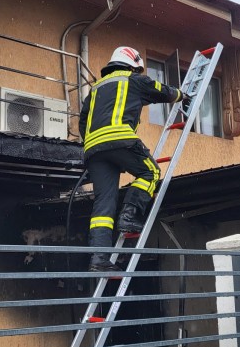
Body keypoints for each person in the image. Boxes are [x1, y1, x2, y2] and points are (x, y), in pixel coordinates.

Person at [79, 46, 188, 272]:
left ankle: (99, 258)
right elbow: (162, 91)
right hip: (120, 140)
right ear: (132, 65)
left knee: (104, 202)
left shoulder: (96, 89)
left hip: (93, 149)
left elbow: (83, 122)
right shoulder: (134, 80)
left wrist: (97, 143)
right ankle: (129, 216)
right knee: (151, 172)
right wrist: (182, 95)